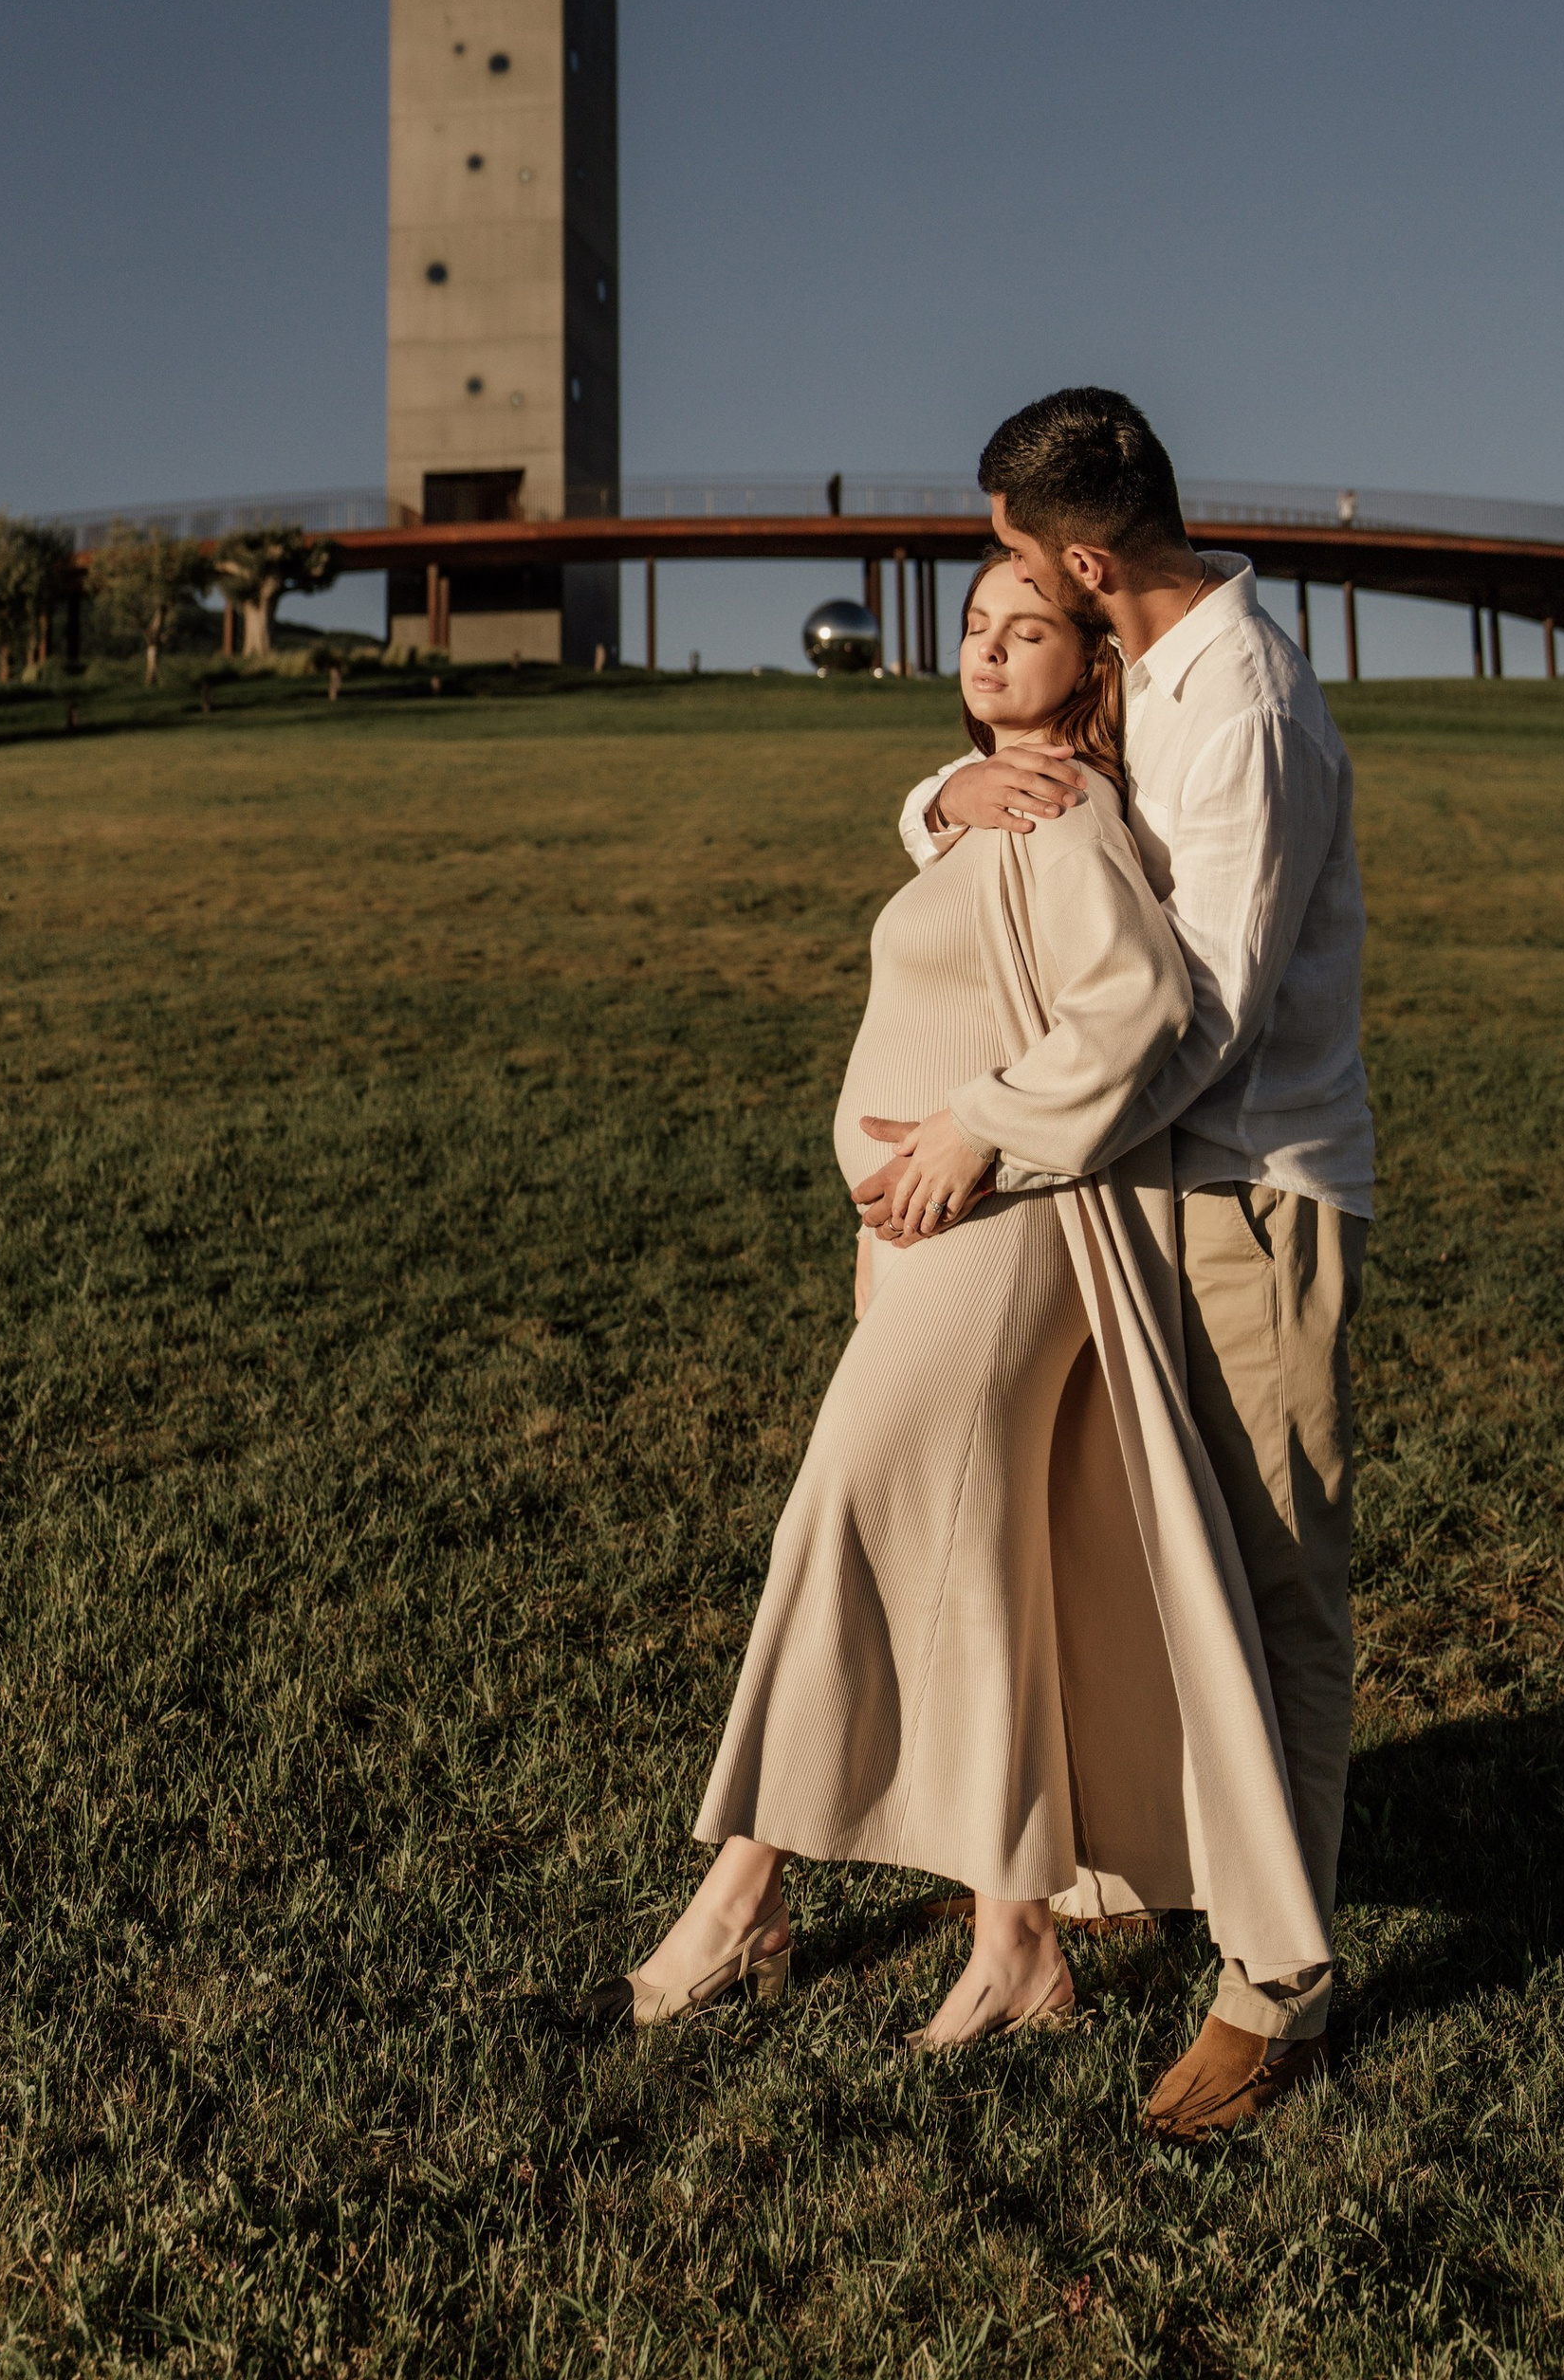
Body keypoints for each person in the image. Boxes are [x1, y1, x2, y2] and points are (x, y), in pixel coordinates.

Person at [594, 558, 1328, 2050]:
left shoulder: (1069, 821)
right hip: (935, 1235)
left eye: (1030, 630)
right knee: (986, 1554)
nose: (990, 650)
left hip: (1008, 1225)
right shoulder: (984, 802)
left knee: (846, 1509)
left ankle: (741, 1899)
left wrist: (970, 1138)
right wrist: (941, 800)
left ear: (1090, 661)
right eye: (980, 630)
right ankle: (1018, 1942)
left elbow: (1142, 1008)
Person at [856, 387, 1372, 2145]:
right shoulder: (1145, 672)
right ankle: (1129, 1871)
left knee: (1277, 1578)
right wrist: (947, 789)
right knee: (1144, 1556)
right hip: (1136, 1180)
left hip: (1250, 1190)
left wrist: (981, 1129)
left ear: (1086, 555)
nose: (1011, 593)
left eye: (1018, 562)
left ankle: (1277, 1989)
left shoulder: (1244, 707)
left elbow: (1199, 1010)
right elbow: (1043, 790)